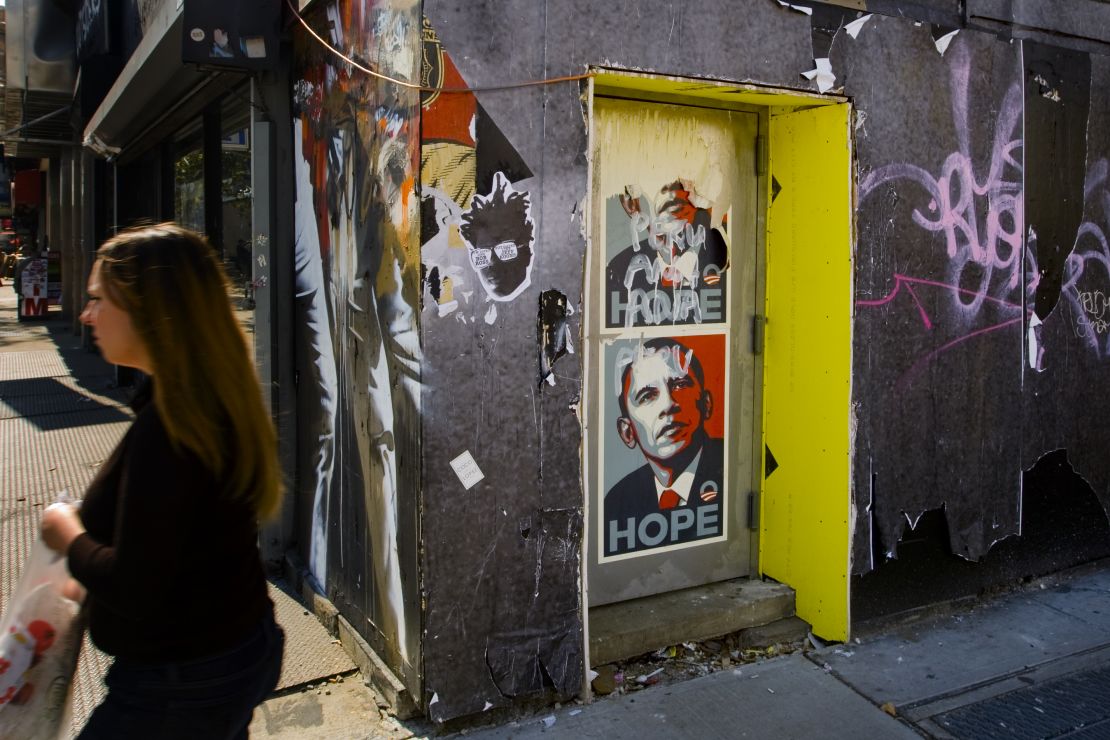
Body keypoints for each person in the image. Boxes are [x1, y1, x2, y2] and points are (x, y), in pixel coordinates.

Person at [40, 223, 285, 739]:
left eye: (98, 300)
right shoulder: (209, 401)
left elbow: (136, 586)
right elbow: (181, 543)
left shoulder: (172, 426)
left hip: (179, 684)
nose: (86, 316)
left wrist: (67, 534)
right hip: (232, 651)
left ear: (150, 312)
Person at [604, 337, 724, 557]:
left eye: (680, 384)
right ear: (627, 432)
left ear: (706, 404)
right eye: (647, 396)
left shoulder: (738, 468)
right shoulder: (617, 502)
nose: (668, 404)